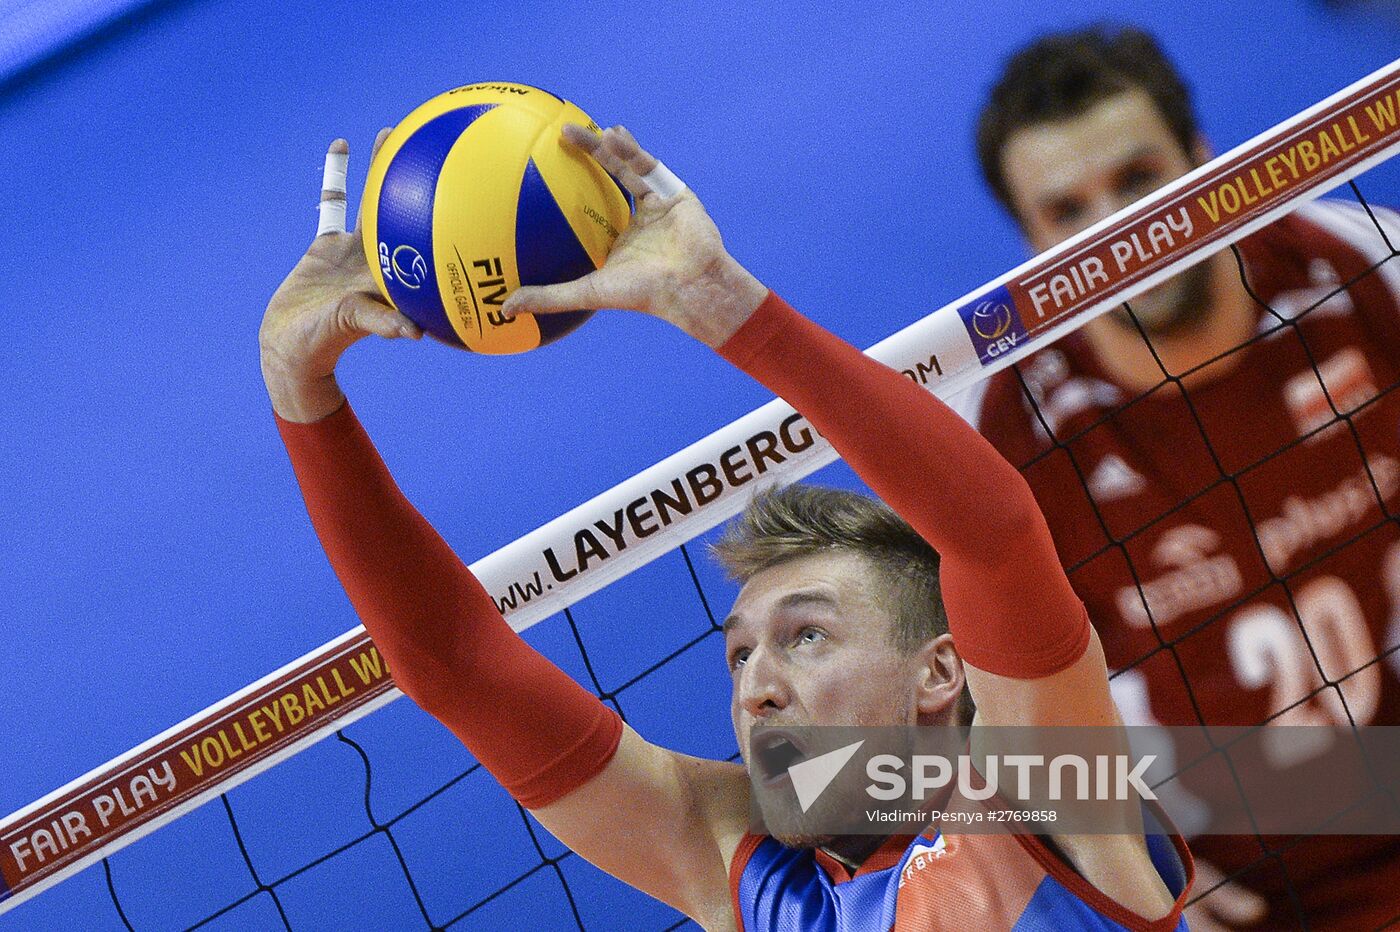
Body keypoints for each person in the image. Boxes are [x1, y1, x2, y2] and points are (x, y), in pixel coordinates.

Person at [259, 124, 1192, 930]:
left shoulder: (1046, 798)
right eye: (740, 657)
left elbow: (991, 536)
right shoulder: (751, 886)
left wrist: (727, 309)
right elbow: (458, 667)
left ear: (941, 672)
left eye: (807, 636)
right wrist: (303, 398)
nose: (758, 691)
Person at [967, 25, 1400, 930]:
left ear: (1204, 163)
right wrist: (1116, 852)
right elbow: (985, 730)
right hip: (1265, 908)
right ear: (1030, 242)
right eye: (1068, 212)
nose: (1117, 236)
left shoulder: (1366, 269)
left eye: (1137, 183)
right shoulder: (1008, 439)